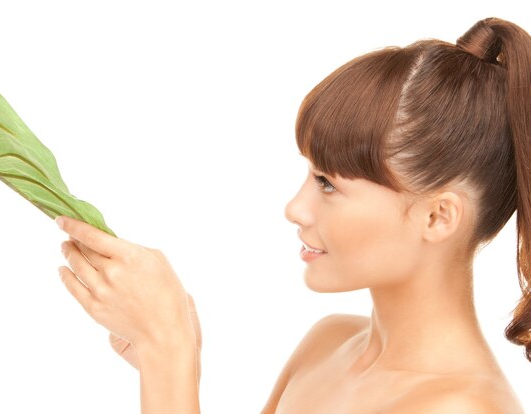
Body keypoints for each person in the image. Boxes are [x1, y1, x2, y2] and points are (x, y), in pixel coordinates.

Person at [54, 16, 529, 413]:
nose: (295, 208)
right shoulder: (327, 344)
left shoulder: (461, 408)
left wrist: (168, 353)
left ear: (437, 218)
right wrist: (179, 359)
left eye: (328, 184)